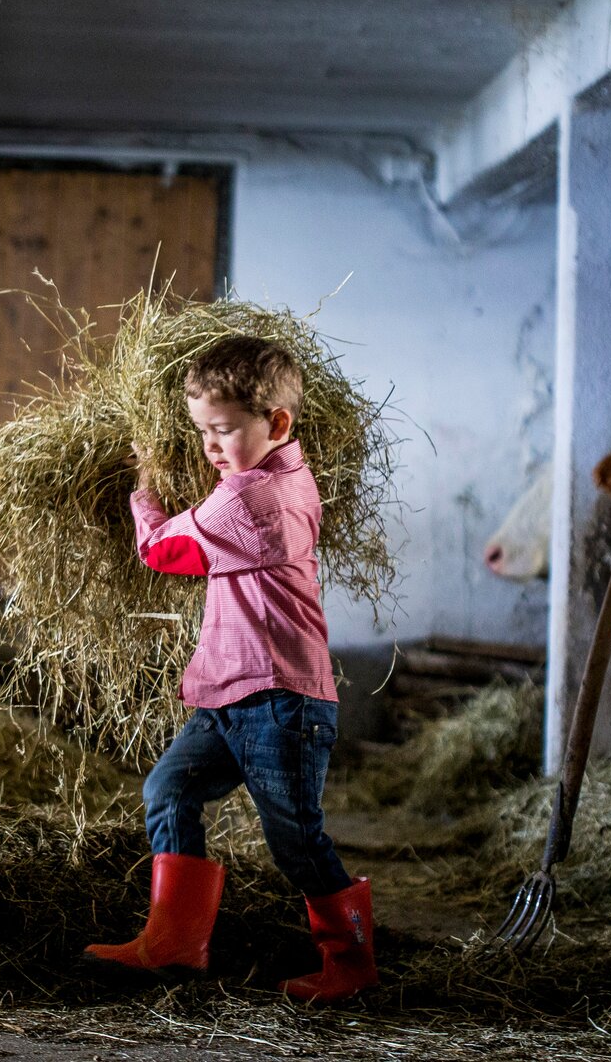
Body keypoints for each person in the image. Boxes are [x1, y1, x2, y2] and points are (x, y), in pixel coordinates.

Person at [83, 335, 377, 1003]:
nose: (212, 448)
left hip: (278, 700)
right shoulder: (288, 478)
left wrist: (145, 488)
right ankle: (174, 944)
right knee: (170, 790)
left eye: (223, 431)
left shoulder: (242, 502)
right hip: (235, 693)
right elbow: (203, 557)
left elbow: (163, 552)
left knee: (297, 844)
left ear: (277, 423)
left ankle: (352, 968)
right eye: (201, 432)